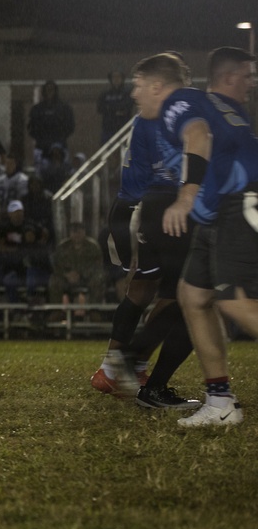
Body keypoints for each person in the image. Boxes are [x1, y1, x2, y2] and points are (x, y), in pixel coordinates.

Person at [140, 49, 258, 426]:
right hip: (219, 213)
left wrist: (186, 196)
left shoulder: (177, 101)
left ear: (157, 86)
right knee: (194, 297)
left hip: (235, 206)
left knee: (238, 305)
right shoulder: (219, 102)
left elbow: (198, 135)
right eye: (247, 77)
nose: (134, 94)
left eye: (138, 86)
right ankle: (220, 401)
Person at [91, 101, 198, 409]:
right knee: (175, 291)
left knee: (140, 290)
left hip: (132, 207)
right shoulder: (176, 116)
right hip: (157, 207)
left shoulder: (144, 119)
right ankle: (127, 366)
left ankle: (112, 369)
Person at [48, 222, 105, 307]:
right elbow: (57, 266)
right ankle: (57, 310)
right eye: (74, 232)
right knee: (54, 281)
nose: (77, 235)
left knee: (99, 279)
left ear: (84, 232)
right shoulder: (62, 247)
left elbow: (98, 265)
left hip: (87, 278)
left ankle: (95, 309)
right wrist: (66, 275)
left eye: (79, 232)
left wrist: (81, 275)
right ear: (70, 234)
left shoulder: (93, 247)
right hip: (67, 278)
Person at [27, 80, 75, 163]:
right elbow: (31, 127)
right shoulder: (37, 109)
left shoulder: (64, 108)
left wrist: (61, 137)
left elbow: (71, 125)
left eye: (52, 89)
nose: (49, 92)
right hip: (41, 146)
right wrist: (40, 138)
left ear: (56, 91)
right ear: (44, 91)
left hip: (60, 146)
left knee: (60, 171)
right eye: (47, 89)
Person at [97, 70, 135, 144]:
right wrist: (115, 110)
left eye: (118, 77)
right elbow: (100, 108)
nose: (116, 79)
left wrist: (109, 108)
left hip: (123, 128)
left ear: (122, 78)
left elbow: (126, 107)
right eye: (114, 77)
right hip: (108, 128)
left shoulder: (127, 93)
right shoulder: (105, 94)